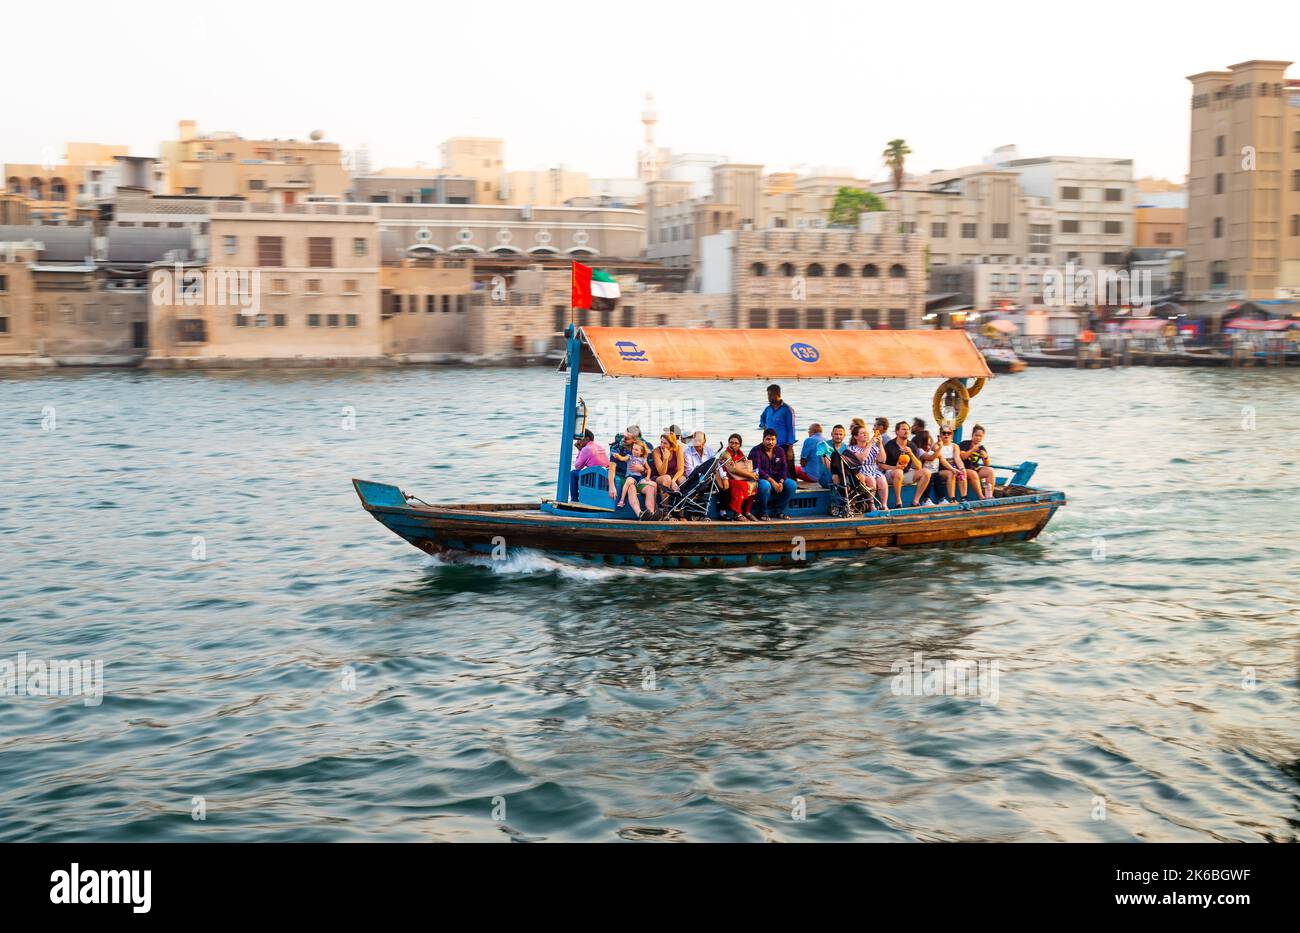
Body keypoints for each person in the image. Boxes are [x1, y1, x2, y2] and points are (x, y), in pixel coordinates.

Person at [882, 420, 932, 508]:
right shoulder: (889, 445)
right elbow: (881, 465)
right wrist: (895, 467)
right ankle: (898, 502)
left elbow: (919, 466)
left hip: (906, 473)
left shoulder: (912, 445)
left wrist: (911, 454)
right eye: (903, 429)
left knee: (926, 472)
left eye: (908, 429)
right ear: (897, 432)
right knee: (898, 472)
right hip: (891, 474)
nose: (906, 431)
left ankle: (915, 501)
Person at [750, 428, 795, 520]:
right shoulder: (756, 451)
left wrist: (781, 482)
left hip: (777, 478)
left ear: (776, 440)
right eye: (768, 439)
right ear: (763, 439)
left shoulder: (780, 450)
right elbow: (757, 470)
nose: (770, 442)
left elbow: (784, 467)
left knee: (791, 485)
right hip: (761, 479)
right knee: (765, 485)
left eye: (773, 439)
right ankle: (763, 513)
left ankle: (778, 511)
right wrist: (772, 482)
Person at [847, 423, 889, 512]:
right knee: (871, 479)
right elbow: (861, 459)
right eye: (862, 433)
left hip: (873, 469)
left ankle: (884, 505)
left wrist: (880, 444)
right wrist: (870, 444)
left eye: (866, 432)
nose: (866, 434)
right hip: (861, 471)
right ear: (856, 437)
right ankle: (871, 504)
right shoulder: (852, 449)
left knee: (882, 479)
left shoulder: (873, 447)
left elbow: (882, 459)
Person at [758, 384, 797, 474]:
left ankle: (792, 485)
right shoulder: (768, 409)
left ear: (778, 394)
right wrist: (764, 426)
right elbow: (762, 418)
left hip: (784, 446)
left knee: (789, 470)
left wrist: (790, 448)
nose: (768, 397)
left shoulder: (787, 410)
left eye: (770, 395)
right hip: (769, 445)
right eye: (768, 395)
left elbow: (791, 429)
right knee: (771, 469)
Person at [720, 433, 758, 521]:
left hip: (739, 477)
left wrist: (753, 475)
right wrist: (750, 475)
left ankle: (747, 511)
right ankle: (737, 513)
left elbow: (746, 467)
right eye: (731, 442)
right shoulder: (725, 454)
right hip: (727, 478)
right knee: (739, 485)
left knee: (754, 484)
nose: (733, 445)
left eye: (736, 443)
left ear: (740, 445)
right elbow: (732, 469)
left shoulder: (741, 454)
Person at [616, 440, 657, 517]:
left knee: (653, 485)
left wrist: (647, 477)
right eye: (633, 449)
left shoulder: (643, 459)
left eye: (636, 450)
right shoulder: (629, 457)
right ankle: (622, 500)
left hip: (639, 478)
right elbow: (622, 458)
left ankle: (652, 512)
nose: (634, 451)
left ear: (641, 452)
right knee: (630, 484)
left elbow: (648, 469)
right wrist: (617, 456)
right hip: (630, 477)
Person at [607, 425, 646, 500]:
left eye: (626, 438)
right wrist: (611, 487)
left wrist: (642, 469)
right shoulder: (616, 448)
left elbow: (649, 469)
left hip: (637, 477)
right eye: (623, 436)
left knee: (651, 488)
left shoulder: (642, 447)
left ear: (635, 440)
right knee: (631, 486)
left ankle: (651, 511)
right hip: (621, 476)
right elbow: (612, 468)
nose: (623, 439)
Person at [570, 429, 610, 501]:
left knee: (573, 473)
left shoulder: (586, 449)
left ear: (587, 438)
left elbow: (578, 466)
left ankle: (574, 499)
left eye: (579, 439)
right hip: (605, 476)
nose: (578, 442)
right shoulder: (599, 446)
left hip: (595, 476)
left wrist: (580, 450)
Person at [934, 424, 969, 504]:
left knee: (963, 473)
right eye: (944, 433)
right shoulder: (936, 446)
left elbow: (957, 458)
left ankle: (964, 498)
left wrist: (961, 468)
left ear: (951, 434)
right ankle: (952, 499)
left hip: (953, 467)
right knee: (951, 473)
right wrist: (953, 469)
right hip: (941, 470)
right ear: (940, 434)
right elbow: (942, 460)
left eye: (948, 433)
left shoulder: (955, 446)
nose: (946, 435)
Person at [959, 423, 996, 499]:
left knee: (990, 471)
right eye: (976, 435)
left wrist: (986, 457)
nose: (978, 438)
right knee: (973, 473)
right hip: (963, 469)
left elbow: (986, 464)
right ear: (972, 435)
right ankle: (981, 496)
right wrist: (972, 450)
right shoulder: (965, 443)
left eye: (980, 436)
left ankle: (989, 495)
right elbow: (962, 457)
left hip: (974, 469)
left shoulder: (981, 448)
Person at [651, 430, 686, 495]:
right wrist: (665, 459)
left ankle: (682, 502)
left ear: (672, 444)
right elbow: (662, 473)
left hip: (673, 476)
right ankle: (665, 505)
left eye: (665, 443)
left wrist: (673, 480)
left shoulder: (678, 449)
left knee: (682, 479)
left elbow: (681, 469)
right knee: (666, 478)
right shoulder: (656, 451)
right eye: (661, 442)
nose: (662, 445)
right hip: (659, 477)